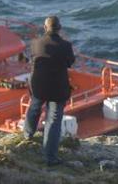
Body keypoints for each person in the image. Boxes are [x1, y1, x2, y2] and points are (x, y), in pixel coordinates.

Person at [23, 15, 75, 167]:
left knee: (35, 107)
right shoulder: (65, 45)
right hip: (58, 87)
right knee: (53, 119)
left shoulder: (35, 43)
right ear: (59, 28)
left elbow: (31, 59)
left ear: (45, 28)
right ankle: (50, 157)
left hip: (38, 85)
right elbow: (70, 62)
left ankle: (27, 134)